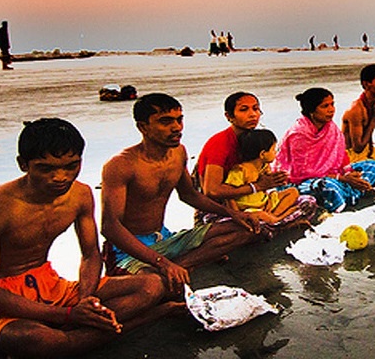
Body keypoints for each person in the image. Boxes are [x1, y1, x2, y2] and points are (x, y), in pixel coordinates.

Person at [0, 118, 169, 357]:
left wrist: (86, 301)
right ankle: (135, 321)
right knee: (41, 340)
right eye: (46, 169)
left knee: (151, 285)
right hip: (6, 301)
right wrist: (68, 315)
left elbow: (91, 254)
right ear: (23, 164)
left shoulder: (80, 194)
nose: (61, 177)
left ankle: (77, 334)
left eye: (71, 166)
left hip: (52, 286)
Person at [100, 94, 262, 295]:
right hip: (129, 250)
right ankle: (169, 269)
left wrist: (234, 214)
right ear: (143, 127)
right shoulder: (121, 165)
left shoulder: (178, 153)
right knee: (152, 288)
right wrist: (163, 262)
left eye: (179, 120)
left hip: (164, 238)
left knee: (246, 228)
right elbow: (110, 227)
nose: (176, 127)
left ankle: (178, 267)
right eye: (166, 122)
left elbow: (189, 195)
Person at [277, 88, 375, 212]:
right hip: (301, 182)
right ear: (312, 111)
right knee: (326, 186)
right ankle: (353, 193)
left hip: (333, 175)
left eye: (332, 104)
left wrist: (349, 173)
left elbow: (341, 156)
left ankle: (353, 192)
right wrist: (341, 178)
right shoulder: (299, 135)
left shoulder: (331, 128)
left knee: (372, 166)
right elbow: (302, 174)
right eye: (325, 106)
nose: (331, 109)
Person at [195, 92, 291, 225]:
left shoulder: (256, 139)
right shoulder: (219, 143)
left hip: (254, 202)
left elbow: (261, 174)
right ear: (229, 116)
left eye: (256, 109)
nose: (253, 114)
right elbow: (212, 191)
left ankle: (269, 219)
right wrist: (257, 186)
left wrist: (274, 180)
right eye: (244, 110)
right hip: (222, 208)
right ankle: (270, 221)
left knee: (307, 202)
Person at [225, 129, 316, 226]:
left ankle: (272, 216)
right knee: (260, 215)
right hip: (249, 209)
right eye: (273, 149)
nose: (275, 152)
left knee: (293, 192)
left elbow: (268, 184)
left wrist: (279, 179)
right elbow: (228, 195)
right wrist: (237, 214)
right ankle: (277, 219)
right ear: (262, 154)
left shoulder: (264, 166)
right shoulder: (240, 170)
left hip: (265, 202)